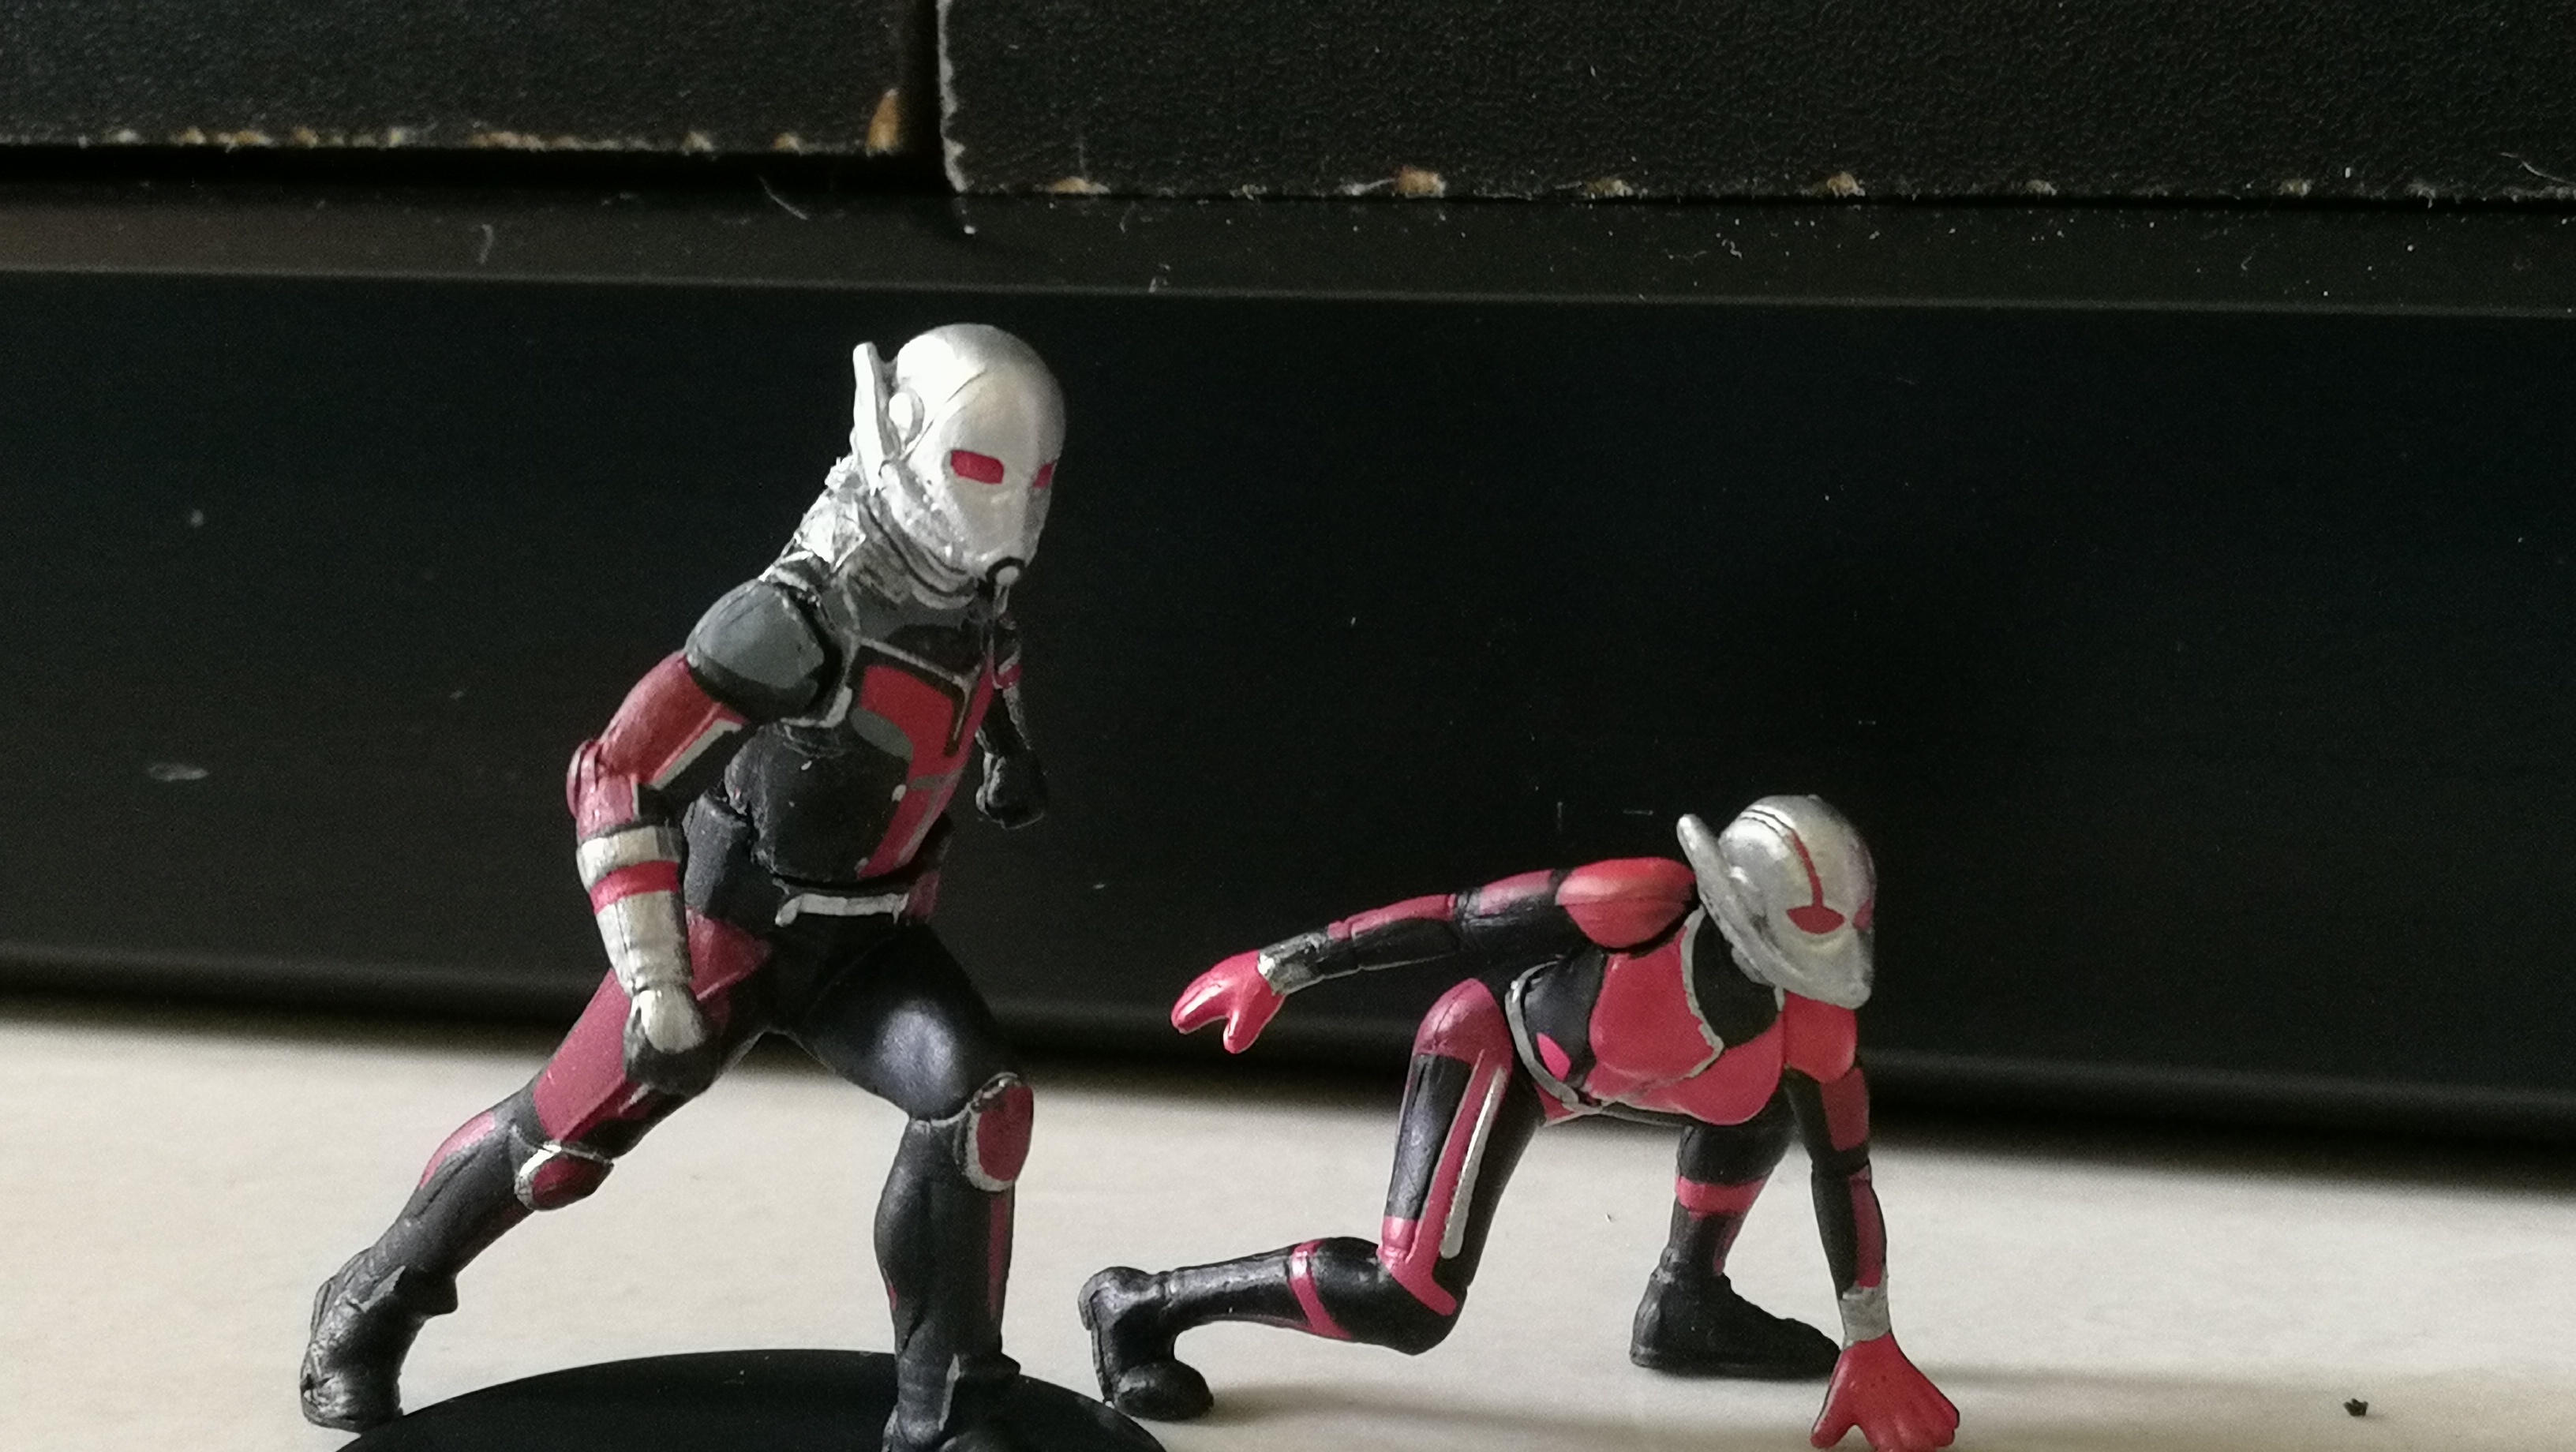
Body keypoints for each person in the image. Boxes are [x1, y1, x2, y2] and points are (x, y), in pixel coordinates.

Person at [301, 324, 1066, 1452]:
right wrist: (656, 977)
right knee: (557, 1150)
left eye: (1034, 481)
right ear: (902, 448)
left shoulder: (974, 595)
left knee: (979, 1109)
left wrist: (1006, 751)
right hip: (731, 926)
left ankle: (947, 1412)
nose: (1008, 510)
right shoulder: (800, 616)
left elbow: (988, 670)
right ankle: (370, 1298)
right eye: (982, 471)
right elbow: (616, 772)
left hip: (872, 941)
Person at [1081, 796, 1960, 1452]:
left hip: (1625, 1085)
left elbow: (1844, 1170)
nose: (1786, 980)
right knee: (1408, 1301)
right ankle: (1143, 1304)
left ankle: (1686, 1300)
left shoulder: (1814, 1029)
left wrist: (1871, 1338)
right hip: (1502, 1047)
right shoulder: (1639, 907)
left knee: (1769, 1104)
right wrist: (1285, 964)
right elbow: (1458, 917)